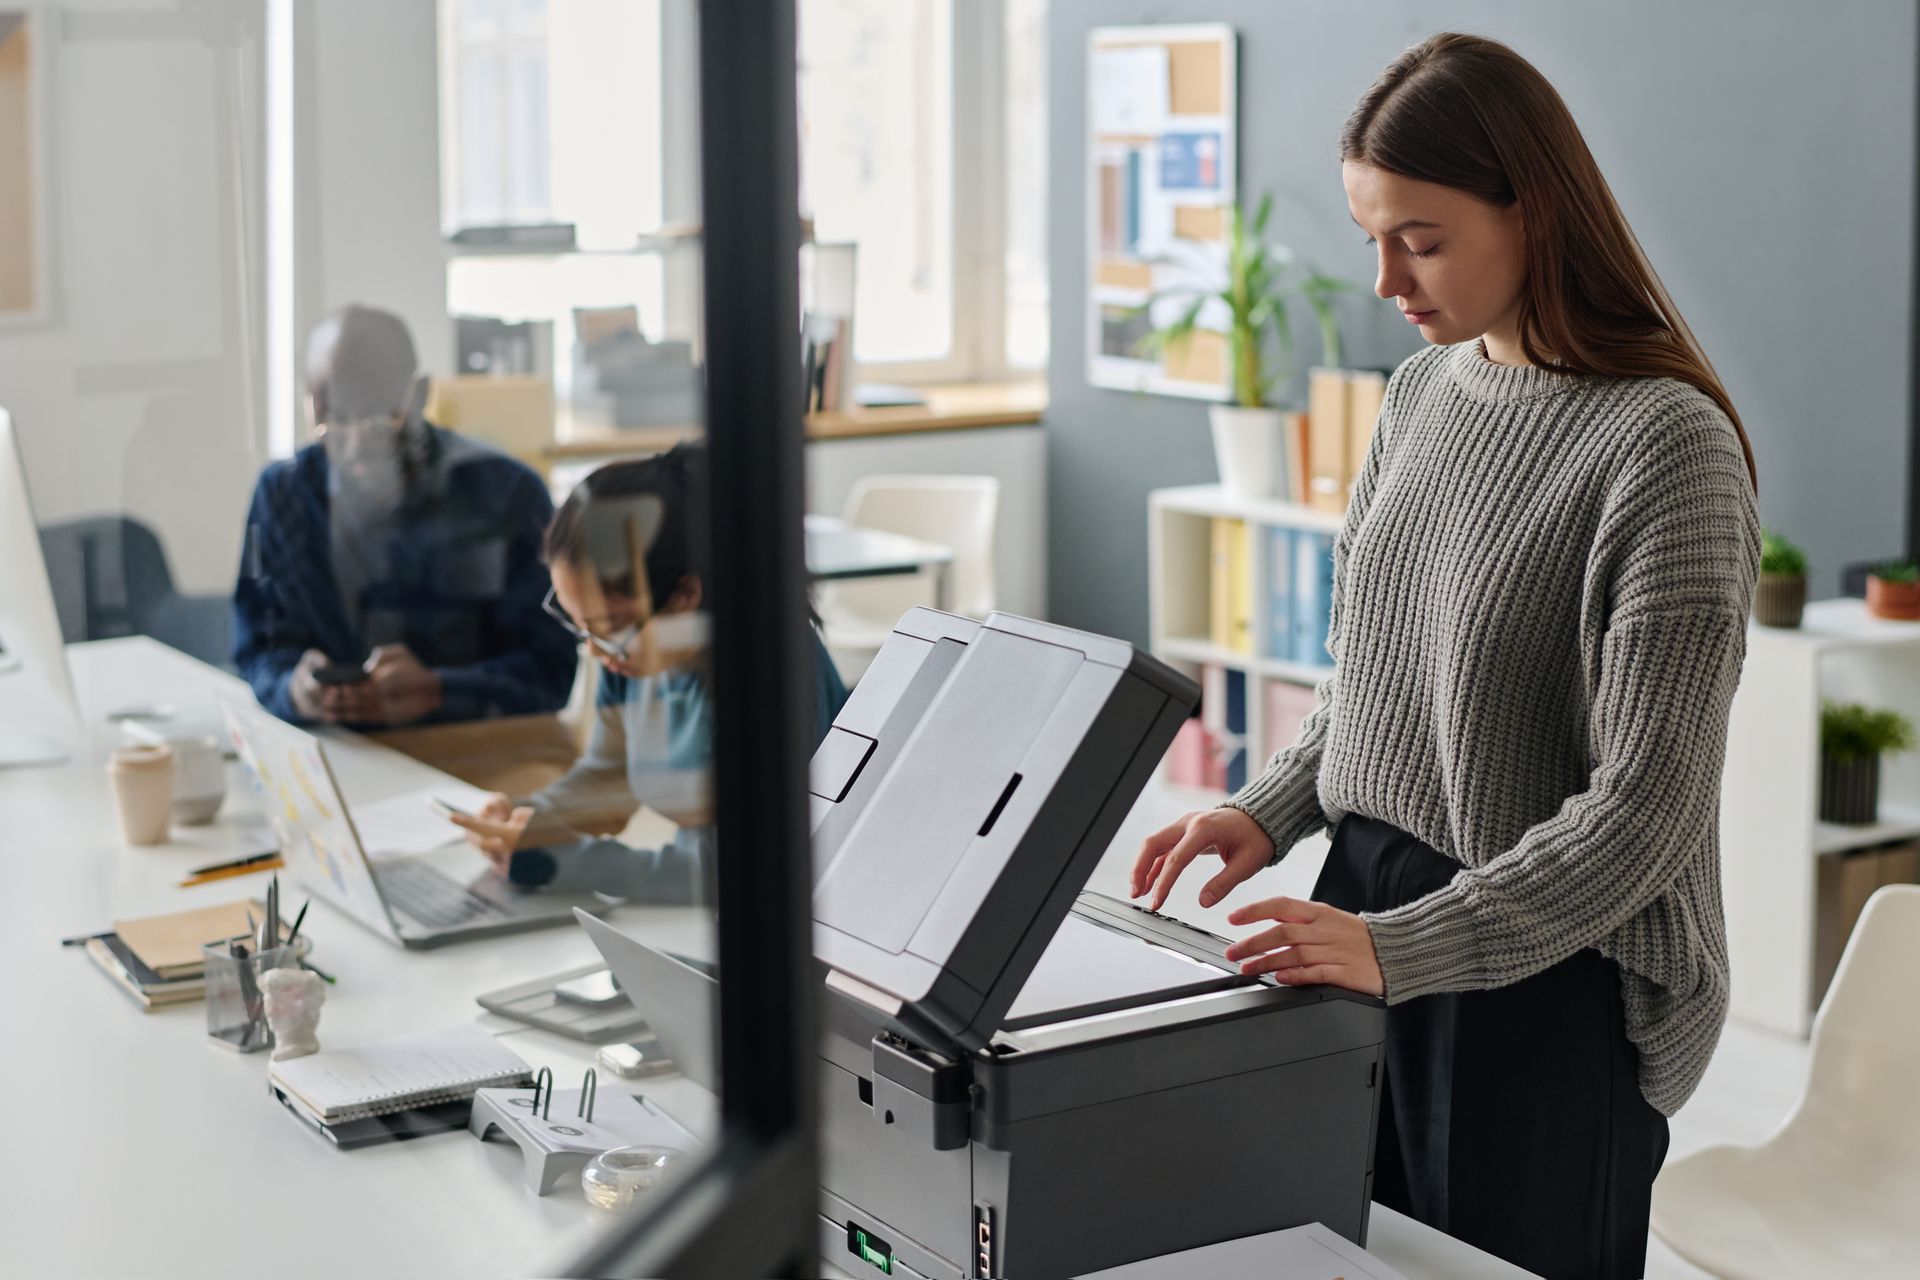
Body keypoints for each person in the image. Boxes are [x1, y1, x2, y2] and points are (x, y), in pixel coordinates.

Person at [1130, 33, 1760, 1280]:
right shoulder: (1420, 397)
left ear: (1535, 212)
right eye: (1374, 237)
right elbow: (1370, 685)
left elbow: (1646, 812)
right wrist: (1266, 809)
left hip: (1545, 967)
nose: (1385, 279)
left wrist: (1407, 946)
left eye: (1419, 239)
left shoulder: (1666, 449)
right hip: (1368, 905)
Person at [448, 444, 850, 903]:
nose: (597, 652)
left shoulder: (768, 679)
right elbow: (608, 778)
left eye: (609, 627)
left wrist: (567, 862)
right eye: (579, 625)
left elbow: (740, 876)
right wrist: (523, 819)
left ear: (685, 595)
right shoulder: (631, 654)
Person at [232, 305, 576, 728]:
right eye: (332, 420)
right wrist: (293, 690)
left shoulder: (507, 493)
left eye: (377, 419)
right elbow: (257, 646)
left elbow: (552, 670)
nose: (355, 443)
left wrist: (440, 690)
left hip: (472, 753)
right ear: (309, 404)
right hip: (334, 752)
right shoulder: (283, 494)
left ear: (419, 396)